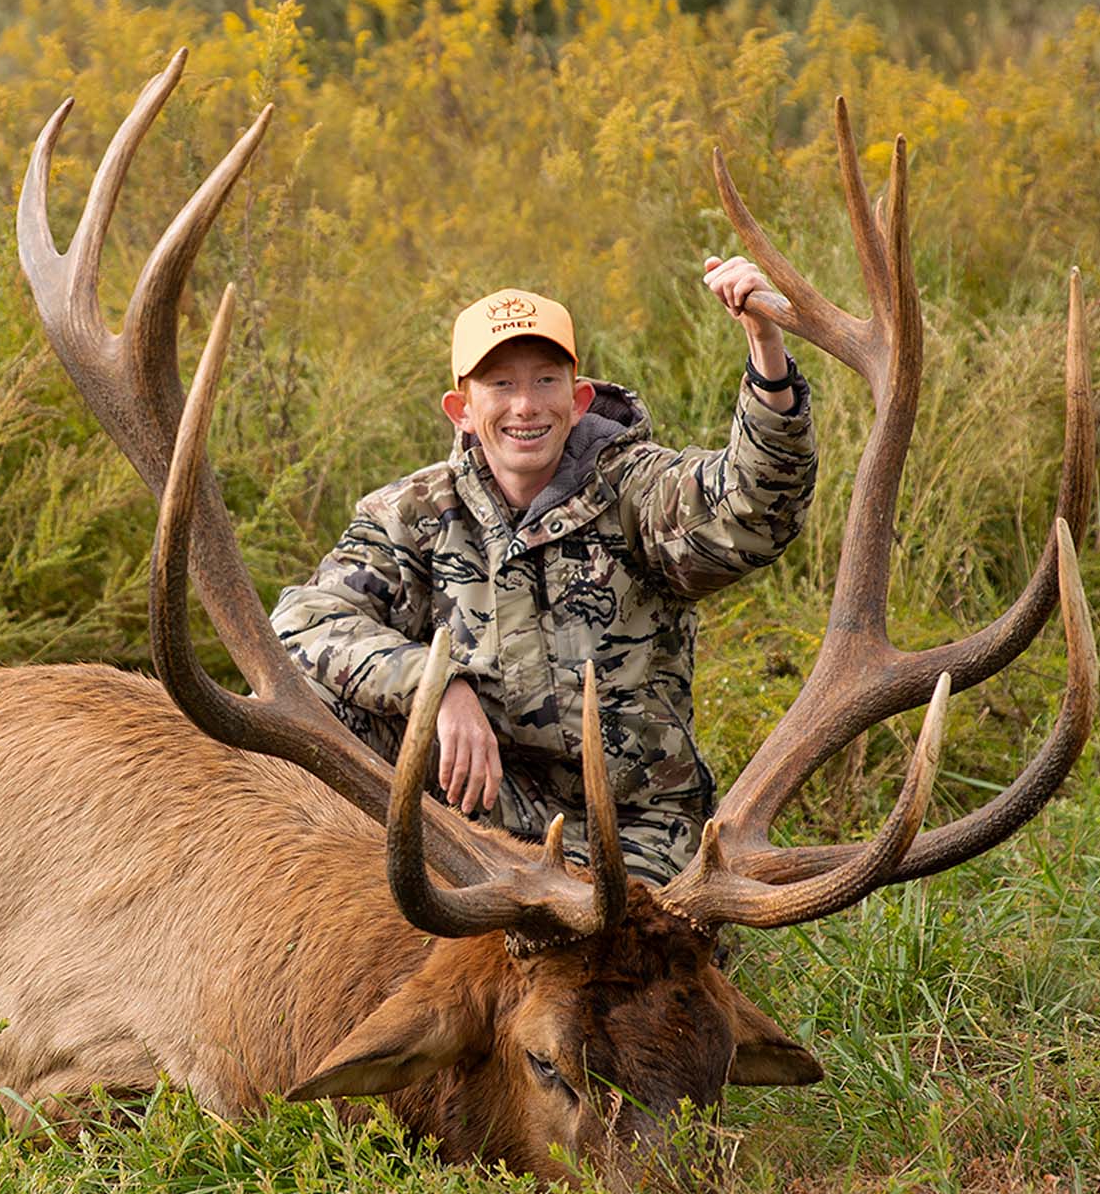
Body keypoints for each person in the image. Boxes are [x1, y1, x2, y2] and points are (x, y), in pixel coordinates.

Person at [269, 256, 817, 883]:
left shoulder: (639, 493)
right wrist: (436, 683)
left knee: (623, 940)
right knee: (312, 713)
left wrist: (766, 351)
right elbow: (303, 621)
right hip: (475, 805)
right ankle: (314, 900)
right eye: (500, 384)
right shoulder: (415, 513)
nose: (525, 406)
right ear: (461, 409)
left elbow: (754, 510)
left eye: (546, 381)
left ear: (578, 400)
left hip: (629, 825)